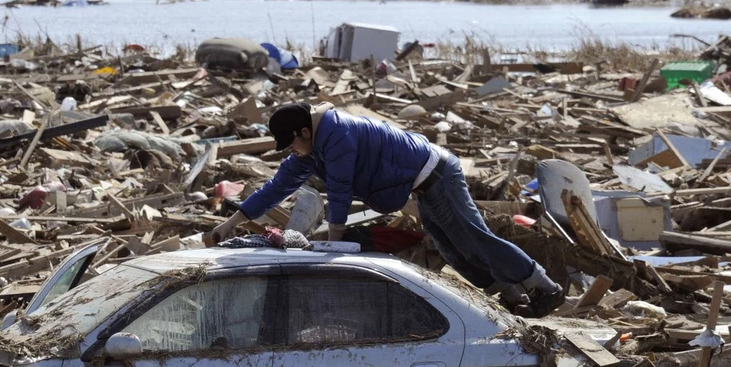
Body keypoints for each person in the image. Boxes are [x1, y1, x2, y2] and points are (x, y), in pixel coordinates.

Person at [210, 101, 564, 317]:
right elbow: (275, 188)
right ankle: (512, 296)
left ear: (305, 131)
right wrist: (231, 223)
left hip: (435, 173)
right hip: (420, 183)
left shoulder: (337, 134)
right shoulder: (309, 150)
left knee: (472, 238)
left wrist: (335, 240)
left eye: (292, 144)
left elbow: (341, 188)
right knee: (450, 248)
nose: (292, 152)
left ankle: (545, 288)